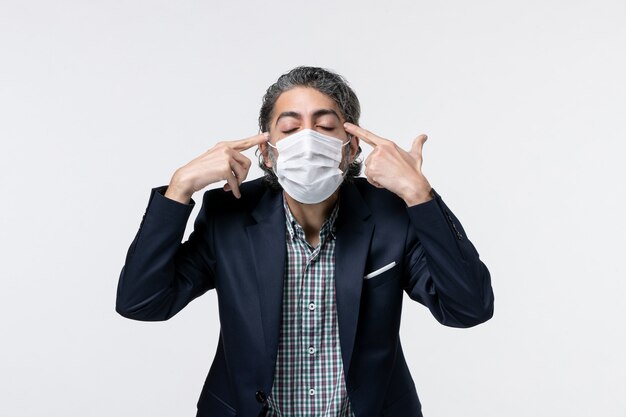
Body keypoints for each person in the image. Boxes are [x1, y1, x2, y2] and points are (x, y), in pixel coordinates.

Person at [116, 66, 494, 417]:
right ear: (266, 150)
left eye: (326, 126)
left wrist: (418, 194)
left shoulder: (390, 215)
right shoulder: (228, 216)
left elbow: (468, 308)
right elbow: (142, 303)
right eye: (290, 128)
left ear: (352, 147)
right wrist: (179, 189)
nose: (309, 140)